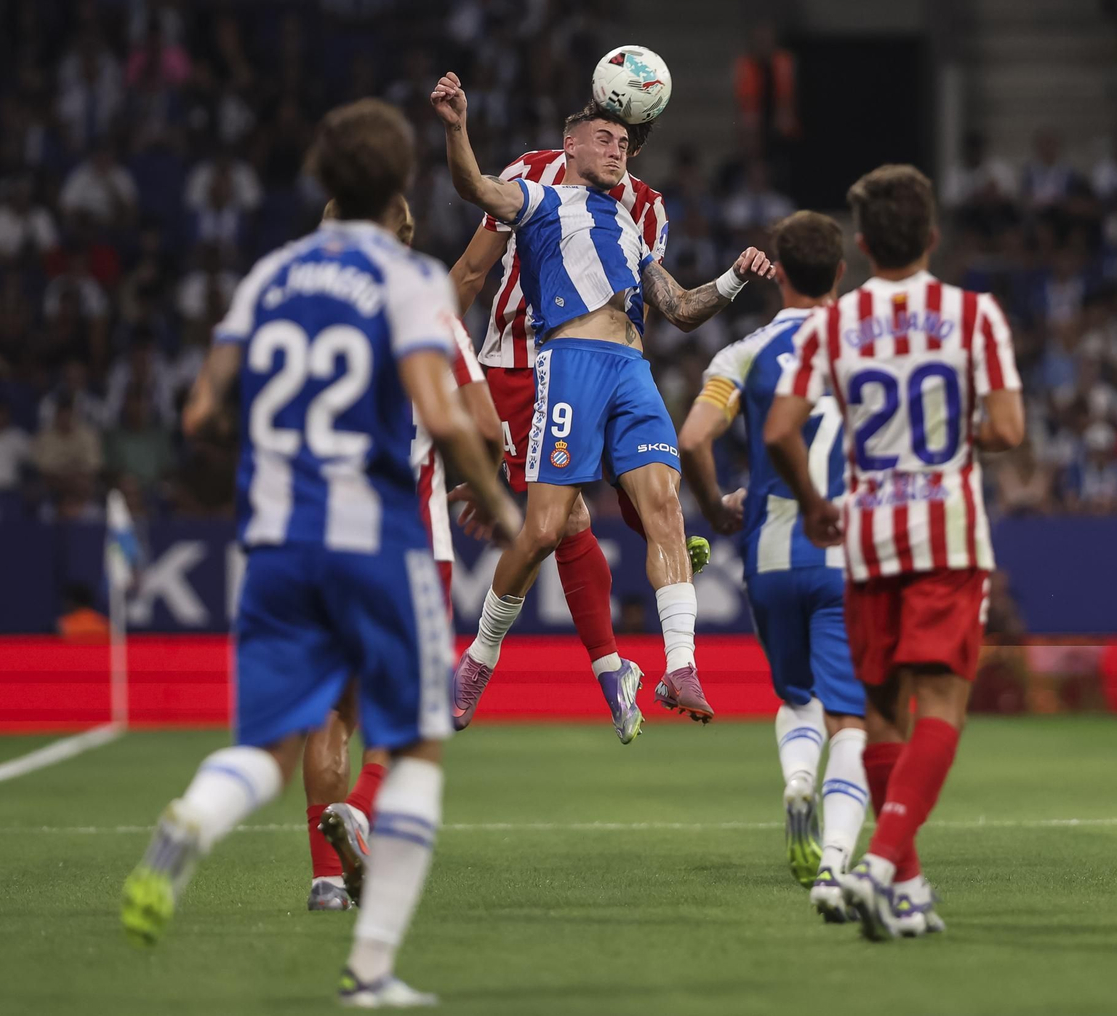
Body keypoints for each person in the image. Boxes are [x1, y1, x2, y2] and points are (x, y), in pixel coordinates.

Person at [120, 97, 519, 1009]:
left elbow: (200, 411)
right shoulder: (411, 282)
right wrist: (498, 504)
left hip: (274, 547)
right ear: (400, 184)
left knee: (273, 745)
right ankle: (370, 970)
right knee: (415, 747)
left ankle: (195, 819)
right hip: (379, 541)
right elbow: (452, 415)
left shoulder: (269, 277)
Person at [431, 70, 774, 733]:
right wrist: (457, 128)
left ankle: (680, 667)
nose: (617, 149)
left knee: (665, 505)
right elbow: (473, 187)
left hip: (632, 370)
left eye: (624, 142)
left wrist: (735, 277)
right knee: (544, 530)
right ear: (572, 145)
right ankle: (479, 656)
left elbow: (680, 309)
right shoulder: (537, 197)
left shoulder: (632, 223)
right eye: (604, 139)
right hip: (569, 365)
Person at [765, 164, 1024, 940]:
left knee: (880, 714)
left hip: (867, 538)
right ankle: (881, 871)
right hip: (947, 536)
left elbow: (780, 430)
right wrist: (946, 434)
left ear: (865, 246)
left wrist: (815, 504)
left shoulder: (834, 324)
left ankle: (907, 893)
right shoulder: (975, 315)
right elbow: (1008, 430)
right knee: (940, 707)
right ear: (933, 237)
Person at [303, 196, 502, 915]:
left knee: (335, 710)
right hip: (408, 543)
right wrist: (484, 486)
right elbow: (486, 426)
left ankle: (328, 880)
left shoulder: (303, 319)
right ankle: (359, 812)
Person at [677, 210, 871, 897]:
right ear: (840, 272)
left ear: (778, 274)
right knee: (852, 718)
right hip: (847, 555)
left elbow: (693, 439)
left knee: (796, 696)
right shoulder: (868, 347)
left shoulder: (744, 354)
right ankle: (835, 864)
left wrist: (713, 507)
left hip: (770, 555)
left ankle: (797, 781)